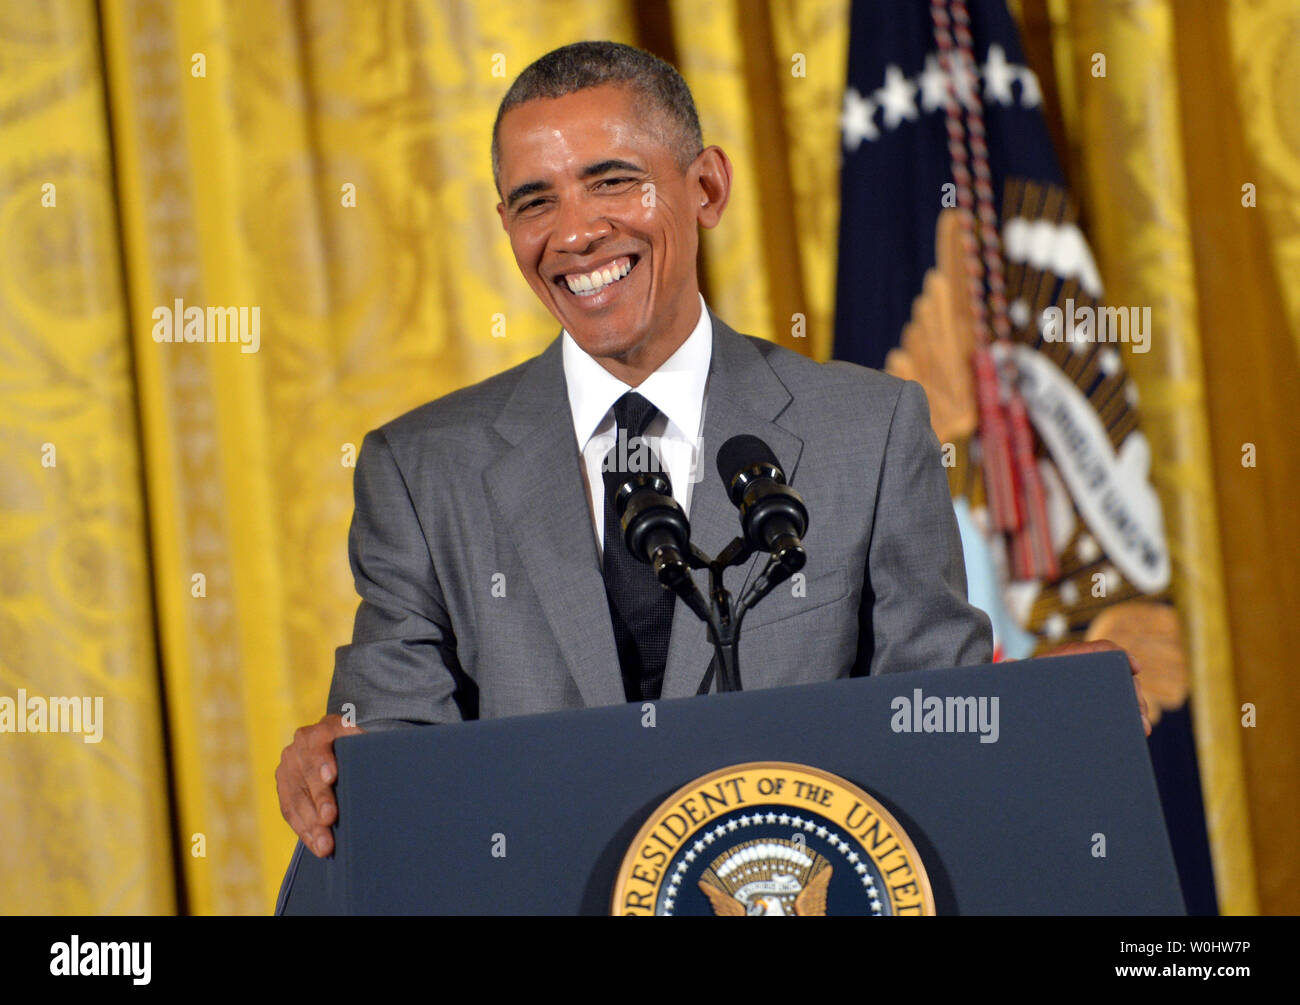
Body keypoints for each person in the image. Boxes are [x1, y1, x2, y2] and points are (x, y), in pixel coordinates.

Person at [276, 41, 1149, 860]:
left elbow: (934, 720)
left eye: (611, 181)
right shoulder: (422, 471)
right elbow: (392, 750)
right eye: (535, 200)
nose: (574, 232)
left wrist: (1042, 709)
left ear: (706, 187)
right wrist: (340, 762)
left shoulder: (868, 430)